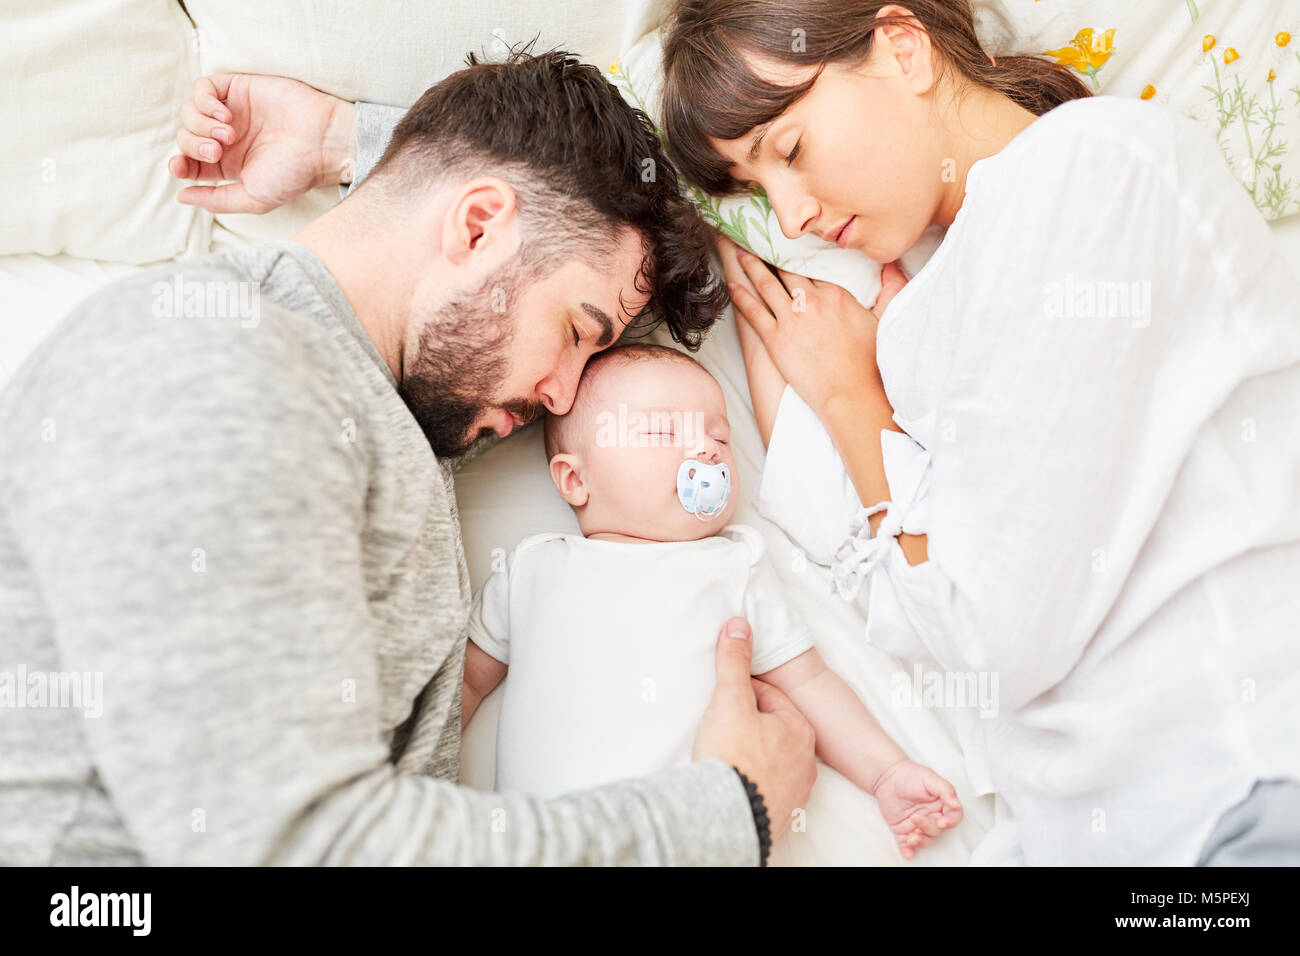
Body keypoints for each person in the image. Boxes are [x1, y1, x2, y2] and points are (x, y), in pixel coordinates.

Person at [0, 51, 817, 866]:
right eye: (578, 330)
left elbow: (497, 198)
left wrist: (342, 141)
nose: (566, 397)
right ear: (475, 227)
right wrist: (727, 811)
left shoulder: (388, 403)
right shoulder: (217, 360)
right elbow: (300, 848)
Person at [659, 0, 1300, 865]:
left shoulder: (1095, 169)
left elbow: (992, 636)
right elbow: (887, 581)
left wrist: (855, 404)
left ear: (902, 47)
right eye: (751, 191)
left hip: (1237, 799)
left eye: (791, 149)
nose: (789, 216)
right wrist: (844, 393)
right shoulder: (923, 307)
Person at [461, 343, 964, 859]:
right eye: (662, 431)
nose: (706, 449)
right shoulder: (531, 568)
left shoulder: (735, 565)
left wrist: (885, 772)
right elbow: (467, 683)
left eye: (719, 435)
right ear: (575, 479)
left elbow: (808, 683)